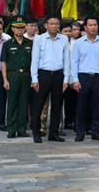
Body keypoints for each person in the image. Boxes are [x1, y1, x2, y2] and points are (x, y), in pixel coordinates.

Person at [70, 16, 99, 142]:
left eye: (95, 25)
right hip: (83, 77)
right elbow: (74, 62)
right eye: (91, 25)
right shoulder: (78, 43)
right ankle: (80, 132)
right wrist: (75, 80)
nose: (93, 27)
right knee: (81, 106)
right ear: (85, 27)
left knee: (98, 106)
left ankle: (96, 132)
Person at [30, 14, 71, 143]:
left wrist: (66, 79)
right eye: (51, 23)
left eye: (56, 24)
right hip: (43, 75)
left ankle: (54, 133)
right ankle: (36, 132)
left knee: (57, 105)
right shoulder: (39, 39)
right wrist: (34, 79)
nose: (54, 26)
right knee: (38, 105)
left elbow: (67, 60)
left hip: (58, 75)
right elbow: (35, 60)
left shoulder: (64, 39)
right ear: (46, 25)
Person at [1, 16, 33, 138]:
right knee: (12, 102)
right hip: (13, 74)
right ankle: (11, 128)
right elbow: (3, 62)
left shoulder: (30, 43)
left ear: (25, 29)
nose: (20, 30)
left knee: (24, 102)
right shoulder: (7, 44)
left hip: (26, 74)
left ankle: (22, 128)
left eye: (22, 28)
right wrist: (5, 79)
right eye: (17, 28)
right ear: (13, 29)